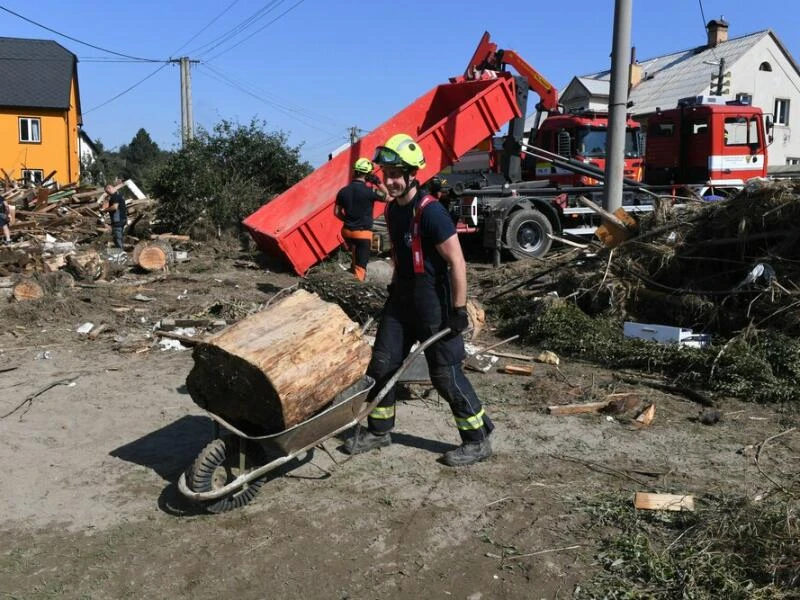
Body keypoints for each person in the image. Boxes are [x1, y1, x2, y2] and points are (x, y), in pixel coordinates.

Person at [344, 133, 494, 466]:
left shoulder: (431, 212)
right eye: (386, 174)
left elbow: (457, 261)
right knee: (382, 364)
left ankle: (477, 439)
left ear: (413, 174)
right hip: (402, 300)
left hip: (434, 305)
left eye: (397, 174)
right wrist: (396, 288)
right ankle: (380, 431)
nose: (391, 181)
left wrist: (458, 311)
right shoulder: (392, 211)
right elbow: (400, 255)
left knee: (445, 374)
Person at [334, 157, 389, 280]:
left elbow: (337, 212)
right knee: (361, 267)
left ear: (354, 172)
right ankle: (357, 285)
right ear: (368, 174)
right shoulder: (370, 191)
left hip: (347, 232)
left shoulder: (342, 191)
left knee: (355, 257)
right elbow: (389, 197)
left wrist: (349, 220)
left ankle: (352, 270)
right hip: (363, 233)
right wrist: (378, 183)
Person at [102, 184, 127, 249]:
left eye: (107, 192)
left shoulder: (114, 196)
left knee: (117, 239)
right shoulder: (119, 194)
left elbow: (115, 207)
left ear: (109, 188)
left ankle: (121, 254)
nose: (107, 194)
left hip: (117, 220)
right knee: (119, 238)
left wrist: (105, 210)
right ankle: (121, 253)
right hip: (122, 218)